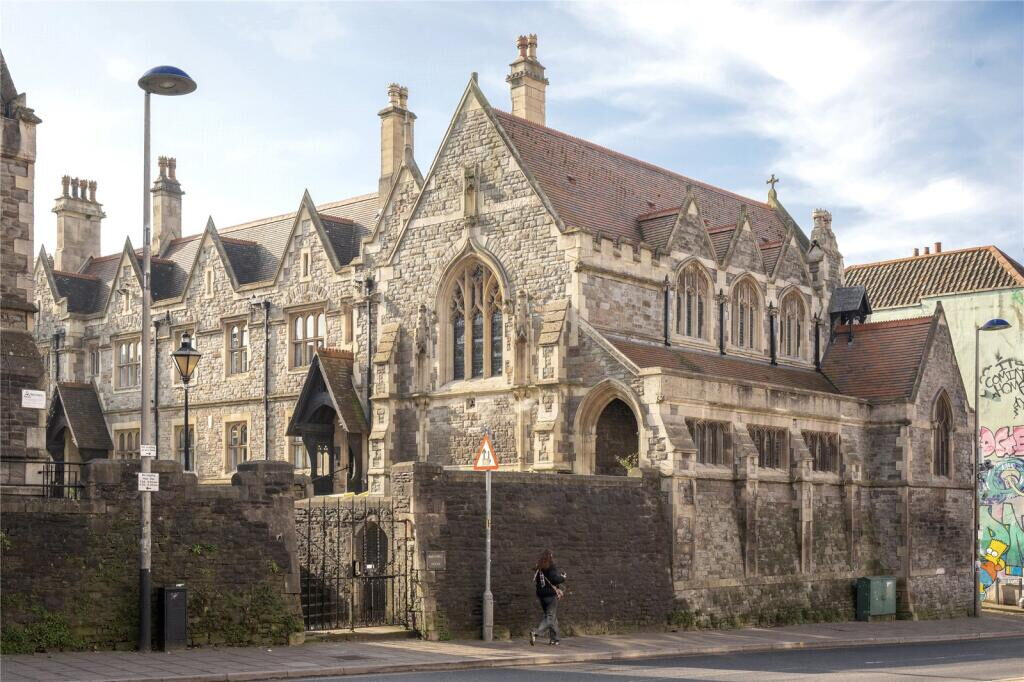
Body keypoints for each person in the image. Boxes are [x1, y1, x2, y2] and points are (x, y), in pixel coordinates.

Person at [529, 549, 566, 646]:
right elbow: (554, 579)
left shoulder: (539, 568)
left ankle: (555, 639)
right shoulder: (551, 567)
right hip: (550, 596)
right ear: (550, 557)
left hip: (541, 596)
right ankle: (536, 632)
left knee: (552, 617)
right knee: (550, 617)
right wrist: (563, 577)